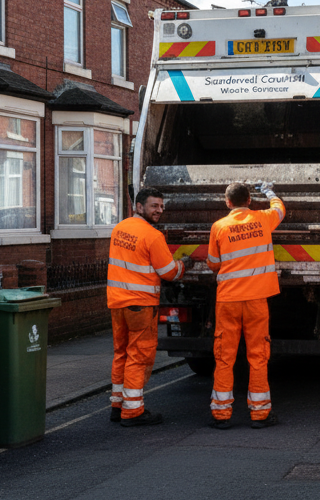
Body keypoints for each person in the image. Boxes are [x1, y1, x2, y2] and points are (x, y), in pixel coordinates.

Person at [106, 187, 195, 427]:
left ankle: (118, 405)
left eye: (161, 206)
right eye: (154, 206)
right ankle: (133, 411)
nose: (159, 210)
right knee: (139, 355)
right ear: (138, 206)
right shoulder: (152, 236)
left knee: (121, 353)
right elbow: (168, 272)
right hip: (140, 305)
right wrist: (184, 264)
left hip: (117, 302)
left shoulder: (119, 229)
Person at [204, 181, 284, 429]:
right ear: (249, 200)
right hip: (256, 300)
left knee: (224, 357)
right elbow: (280, 209)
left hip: (227, 300)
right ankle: (260, 414)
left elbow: (213, 263)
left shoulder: (218, 226)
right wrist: (269, 192)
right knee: (258, 356)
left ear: (228, 203)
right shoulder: (263, 219)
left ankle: (221, 415)